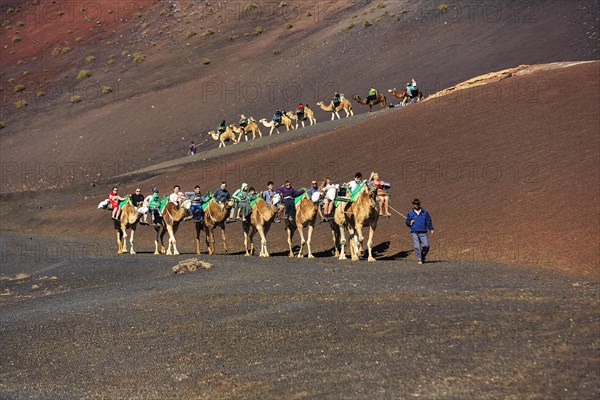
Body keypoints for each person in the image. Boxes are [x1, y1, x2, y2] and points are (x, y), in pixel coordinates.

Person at [405, 198, 434, 264]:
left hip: (423, 231)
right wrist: (410, 222)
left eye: (417, 204)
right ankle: (419, 259)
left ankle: (422, 256)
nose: (416, 205)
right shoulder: (410, 214)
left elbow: (428, 221)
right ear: (413, 205)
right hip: (414, 231)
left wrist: (431, 228)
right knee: (416, 246)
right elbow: (407, 222)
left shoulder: (425, 213)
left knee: (426, 245)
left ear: (419, 204)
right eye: (415, 204)